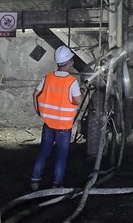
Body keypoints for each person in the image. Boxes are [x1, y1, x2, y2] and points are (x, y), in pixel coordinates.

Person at [30, 45, 82, 191]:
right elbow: (78, 101)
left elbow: (35, 94)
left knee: (43, 152)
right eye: (71, 60)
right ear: (68, 62)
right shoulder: (72, 82)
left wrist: (39, 112)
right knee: (61, 156)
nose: (73, 62)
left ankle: (35, 181)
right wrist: (82, 90)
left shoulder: (47, 78)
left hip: (49, 124)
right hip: (64, 127)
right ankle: (57, 184)